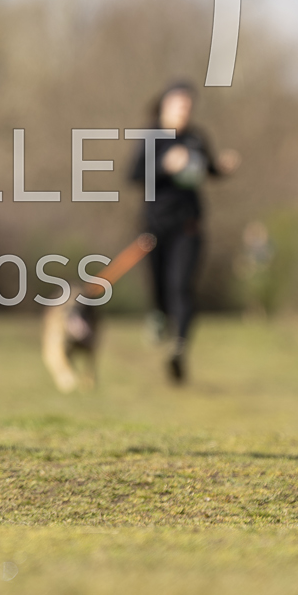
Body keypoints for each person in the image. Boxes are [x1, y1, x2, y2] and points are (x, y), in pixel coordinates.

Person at [129, 80, 239, 384]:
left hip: (189, 225)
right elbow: (134, 175)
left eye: (188, 106)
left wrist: (221, 168)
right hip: (154, 227)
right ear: (164, 107)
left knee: (181, 286)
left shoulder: (196, 138)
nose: (184, 111)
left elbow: (207, 169)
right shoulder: (151, 137)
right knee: (160, 288)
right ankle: (159, 317)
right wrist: (164, 166)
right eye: (179, 105)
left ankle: (179, 346)